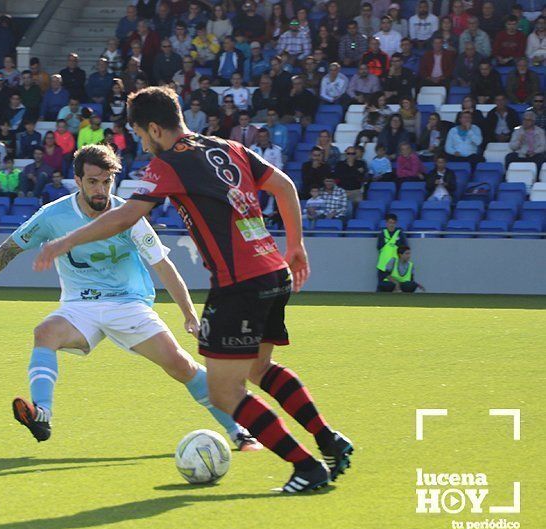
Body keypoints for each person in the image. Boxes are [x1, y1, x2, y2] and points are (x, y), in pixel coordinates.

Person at [32, 87, 353, 493]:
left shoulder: (170, 163)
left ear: (153, 128)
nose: (142, 144)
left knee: (222, 391)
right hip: (273, 269)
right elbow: (285, 185)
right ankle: (329, 441)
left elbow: (125, 216)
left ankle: (306, 467)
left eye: (140, 135)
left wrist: (64, 242)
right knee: (258, 369)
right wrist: (295, 245)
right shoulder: (229, 147)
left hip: (240, 283)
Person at [0, 144, 260, 452]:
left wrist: (188, 313)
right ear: (77, 181)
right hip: (80, 306)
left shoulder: (127, 215)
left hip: (128, 304)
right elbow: (11, 247)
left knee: (181, 366)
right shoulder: (53, 216)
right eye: (93, 181)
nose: (101, 189)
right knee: (45, 333)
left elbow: (162, 264)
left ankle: (238, 431)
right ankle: (42, 413)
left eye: (107, 181)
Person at [376, 212, 407, 282]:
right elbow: (379, 247)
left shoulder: (400, 234)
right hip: (383, 266)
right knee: (382, 287)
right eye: (390, 223)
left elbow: (404, 248)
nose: (391, 225)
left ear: (396, 223)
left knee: (395, 287)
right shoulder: (382, 234)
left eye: (393, 223)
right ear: (386, 223)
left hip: (396, 266)